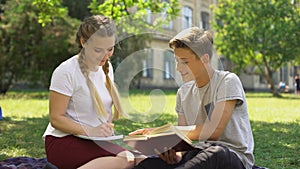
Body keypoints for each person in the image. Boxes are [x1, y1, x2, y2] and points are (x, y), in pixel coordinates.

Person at [131, 27, 255, 169]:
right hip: (197, 154)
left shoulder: (227, 81)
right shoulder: (183, 92)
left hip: (231, 157)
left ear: (205, 59)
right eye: (176, 61)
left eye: (184, 61)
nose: (178, 68)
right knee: (147, 164)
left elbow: (213, 131)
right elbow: (184, 142)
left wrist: (170, 131)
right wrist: (174, 153)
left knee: (216, 153)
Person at [42, 15, 135, 169]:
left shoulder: (107, 68)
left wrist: (105, 131)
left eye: (110, 49)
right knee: (125, 160)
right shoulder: (66, 71)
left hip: (93, 140)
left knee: (137, 158)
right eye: (98, 50)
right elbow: (56, 119)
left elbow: (104, 112)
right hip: (63, 141)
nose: (105, 55)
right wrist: (90, 130)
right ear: (83, 42)